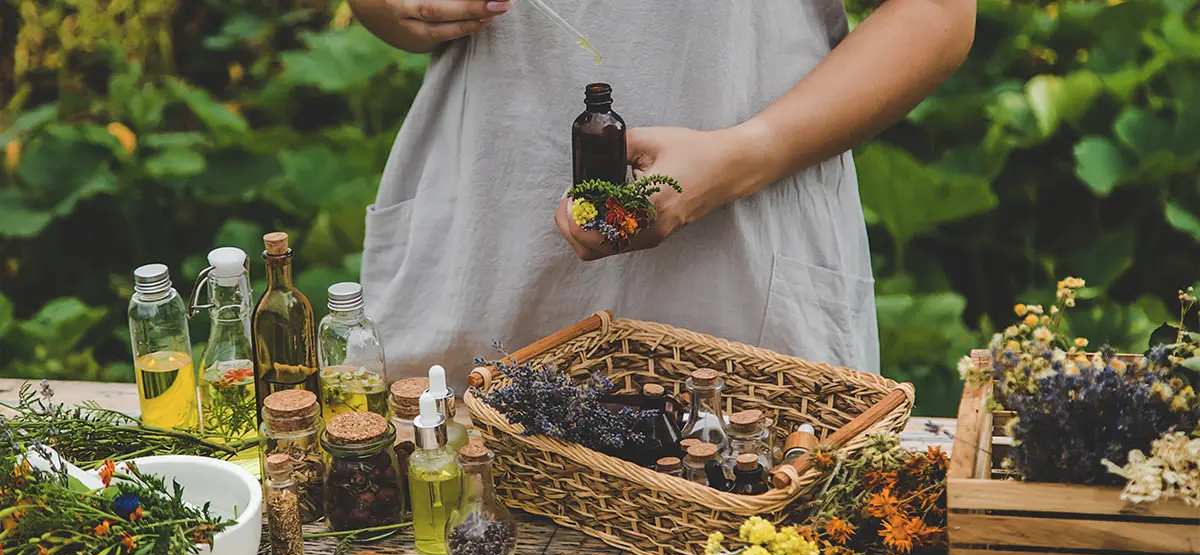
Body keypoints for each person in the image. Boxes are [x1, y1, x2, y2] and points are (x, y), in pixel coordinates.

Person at [349, 0, 975, 383]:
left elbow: (940, 14)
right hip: (480, 262)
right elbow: (378, 8)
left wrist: (746, 155)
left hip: (740, 278)